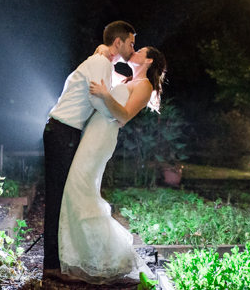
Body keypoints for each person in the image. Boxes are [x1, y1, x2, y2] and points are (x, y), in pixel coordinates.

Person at [58, 45, 167, 284]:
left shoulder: (144, 86)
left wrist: (106, 95)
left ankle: (103, 255)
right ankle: (91, 252)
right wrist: (101, 52)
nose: (133, 52)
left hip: (102, 137)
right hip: (91, 132)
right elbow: (102, 71)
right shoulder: (127, 79)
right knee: (79, 187)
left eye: (139, 51)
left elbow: (124, 116)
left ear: (148, 61)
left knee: (78, 186)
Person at [42, 21, 136, 282]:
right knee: (59, 197)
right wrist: (117, 117)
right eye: (131, 42)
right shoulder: (101, 62)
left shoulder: (100, 61)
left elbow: (103, 90)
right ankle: (52, 267)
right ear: (118, 42)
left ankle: (57, 262)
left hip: (63, 131)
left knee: (62, 196)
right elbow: (98, 98)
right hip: (63, 132)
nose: (132, 47)